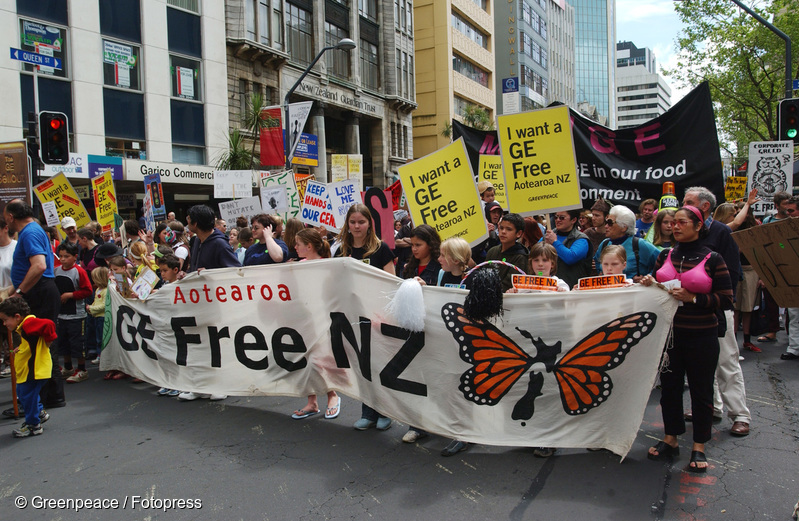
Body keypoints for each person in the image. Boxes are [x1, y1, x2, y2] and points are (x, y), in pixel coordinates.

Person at [641, 205, 733, 473]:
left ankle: (699, 445)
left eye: (681, 222)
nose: (675, 227)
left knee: (701, 390)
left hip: (702, 336)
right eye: (672, 223)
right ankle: (670, 438)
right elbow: (658, 288)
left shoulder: (713, 258)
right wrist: (648, 283)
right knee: (669, 389)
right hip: (669, 336)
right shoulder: (665, 255)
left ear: (698, 226)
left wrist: (694, 298)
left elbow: (727, 299)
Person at [682, 186, 750, 437]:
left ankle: (740, 414)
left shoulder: (721, 232)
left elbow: (732, 275)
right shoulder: (684, 235)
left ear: (705, 207)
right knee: (701, 366)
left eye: (688, 201)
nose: (683, 204)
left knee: (726, 362)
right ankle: (711, 408)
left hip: (717, 310)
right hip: (690, 313)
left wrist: (706, 297)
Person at [401, 237, 474, 456]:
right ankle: (423, 425)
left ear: (454, 259)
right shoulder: (441, 275)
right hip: (441, 340)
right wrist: (426, 289)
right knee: (433, 381)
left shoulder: (472, 278)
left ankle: (463, 433)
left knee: (460, 387)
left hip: (463, 344)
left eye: (443, 255)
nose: (439, 259)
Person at [335, 204, 395, 431]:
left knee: (379, 365)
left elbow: (392, 282)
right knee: (362, 367)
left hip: (376, 316)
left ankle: (385, 412)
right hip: (352, 316)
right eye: (353, 222)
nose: (357, 226)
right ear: (347, 224)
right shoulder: (341, 250)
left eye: (361, 222)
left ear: (369, 223)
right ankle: (368, 412)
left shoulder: (382, 249)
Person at [2, 200, 66, 413]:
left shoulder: (29, 232)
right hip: (40, 291)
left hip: (39, 292)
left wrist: (20, 292)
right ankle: (44, 397)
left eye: (5, 216)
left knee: (39, 344)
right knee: (39, 344)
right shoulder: (34, 229)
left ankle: (42, 398)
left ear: (11, 217)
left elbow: (39, 265)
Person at [290, 229, 340, 420]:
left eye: (298, 244)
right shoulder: (299, 265)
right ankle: (312, 402)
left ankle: (332, 395)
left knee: (322, 360)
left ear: (308, 246)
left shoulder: (327, 266)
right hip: (304, 320)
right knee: (307, 360)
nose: (295, 247)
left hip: (322, 320)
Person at [0, 298, 56, 437]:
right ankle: (39, 413)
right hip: (30, 371)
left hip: (35, 371)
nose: (4, 323)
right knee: (24, 393)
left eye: (6, 320)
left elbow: (48, 324)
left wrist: (49, 341)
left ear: (17, 316)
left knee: (27, 395)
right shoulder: (24, 327)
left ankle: (33, 425)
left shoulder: (28, 324)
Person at [53, 242, 92, 383]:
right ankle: (68, 367)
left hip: (77, 314)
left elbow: (87, 290)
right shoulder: (56, 270)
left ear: (75, 257)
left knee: (77, 343)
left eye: (66, 256)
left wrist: (70, 295)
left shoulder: (79, 271)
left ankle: (82, 369)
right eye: (61, 256)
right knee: (63, 342)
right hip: (61, 314)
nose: (63, 259)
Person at [594, 205, 660, 283]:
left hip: (634, 293)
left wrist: (648, 277)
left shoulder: (639, 244)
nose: (606, 226)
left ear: (624, 227)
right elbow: (597, 262)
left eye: (610, 223)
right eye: (606, 222)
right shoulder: (604, 244)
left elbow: (663, 262)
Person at [154, 254, 183, 397]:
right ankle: (169, 381)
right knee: (165, 353)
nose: (162, 274)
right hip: (165, 323)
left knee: (177, 354)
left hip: (177, 324)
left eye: (165, 270)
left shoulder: (180, 285)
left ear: (175, 270)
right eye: (161, 271)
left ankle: (178, 383)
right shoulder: (164, 285)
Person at [544, 209, 593, 288]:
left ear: (573, 220)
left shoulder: (581, 239)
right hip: (550, 288)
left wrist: (555, 243)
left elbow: (571, 257)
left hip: (573, 290)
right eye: (556, 217)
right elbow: (535, 256)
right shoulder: (548, 236)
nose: (557, 220)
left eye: (562, 218)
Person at [185, 205, 240, 273]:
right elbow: (194, 268)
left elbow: (236, 271)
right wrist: (185, 274)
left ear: (195, 223)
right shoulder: (197, 240)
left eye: (189, 218)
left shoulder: (220, 244)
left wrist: (210, 273)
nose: (187, 222)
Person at [485, 213, 529, 292]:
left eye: (509, 229)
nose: (503, 232)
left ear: (519, 233)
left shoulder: (521, 257)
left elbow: (509, 285)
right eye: (501, 228)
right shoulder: (492, 251)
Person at [0, 214, 18, 377]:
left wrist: (9, 292)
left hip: (13, 301)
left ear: (5, 228)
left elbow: (22, 276)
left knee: (16, 346)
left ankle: (20, 386)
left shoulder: (16, 248)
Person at [86, 267, 109, 366]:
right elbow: (96, 302)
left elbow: (104, 305)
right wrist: (91, 307)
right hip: (96, 316)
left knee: (101, 338)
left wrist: (92, 309)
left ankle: (102, 355)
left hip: (102, 317)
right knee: (97, 337)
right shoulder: (98, 290)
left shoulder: (105, 291)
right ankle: (100, 354)